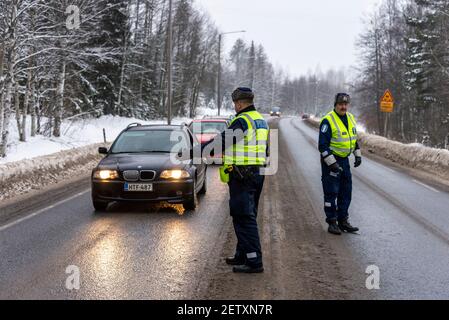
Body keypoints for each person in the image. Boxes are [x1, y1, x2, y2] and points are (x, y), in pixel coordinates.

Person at [202, 87, 269, 273]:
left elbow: (221, 142)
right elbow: (266, 149)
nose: (235, 107)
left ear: (239, 103)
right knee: (246, 214)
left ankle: (254, 261)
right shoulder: (260, 120)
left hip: (242, 175)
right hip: (256, 173)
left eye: (234, 104)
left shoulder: (242, 121)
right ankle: (242, 254)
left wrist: (194, 152)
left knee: (243, 217)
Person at [319, 93, 361, 235]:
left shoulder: (350, 118)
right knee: (331, 192)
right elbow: (322, 146)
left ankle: (343, 220)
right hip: (331, 161)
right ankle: (332, 221)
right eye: (340, 104)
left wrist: (357, 154)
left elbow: (353, 138)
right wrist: (332, 163)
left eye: (345, 104)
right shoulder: (328, 120)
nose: (343, 107)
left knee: (346, 191)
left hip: (344, 160)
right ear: (335, 105)